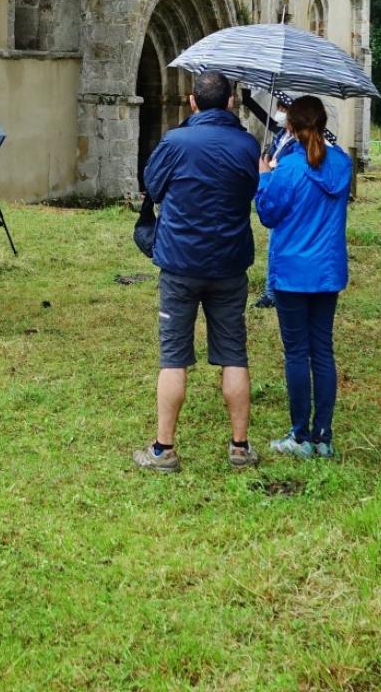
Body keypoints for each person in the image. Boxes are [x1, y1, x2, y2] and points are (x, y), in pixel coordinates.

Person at [131, 72, 262, 473]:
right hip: (228, 262)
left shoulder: (175, 142)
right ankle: (240, 446)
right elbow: (254, 188)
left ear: (192, 102)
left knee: (173, 357)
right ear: (230, 103)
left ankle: (163, 449)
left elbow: (150, 185)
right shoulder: (247, 145)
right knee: (233, 354)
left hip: (180, 262)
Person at [254, 97, 354, 459]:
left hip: (293, 273)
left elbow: (268, 214)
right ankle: (322, 435)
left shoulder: (290, 169)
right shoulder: (342, 164)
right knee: (322, 350)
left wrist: (264, 178)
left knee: (297, 353)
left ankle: (300, 435)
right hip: (327, 271)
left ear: (290, 126)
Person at [239, 90, 296, 309]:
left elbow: (286, 167)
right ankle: (272, 290)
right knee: (274, 246)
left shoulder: (294, 144)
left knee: (277, 245)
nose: (278, 113)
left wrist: (269, 169)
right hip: (272, 188)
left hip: (278, 193)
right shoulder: (281, 136)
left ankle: (273, 292)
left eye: (282, 109)